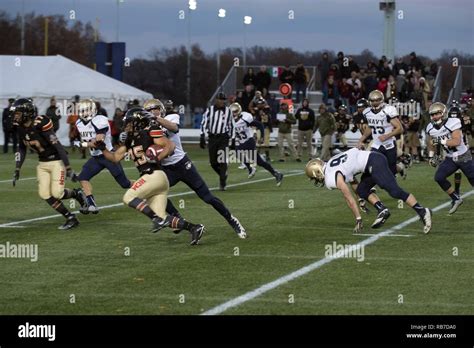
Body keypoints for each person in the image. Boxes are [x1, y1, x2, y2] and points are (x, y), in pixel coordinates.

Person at [97, 107, 204, 245]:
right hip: (157, 181)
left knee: (128, 197)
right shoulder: (130, 140)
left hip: (153, 175)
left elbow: (170, 145)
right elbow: (115, 158)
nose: (126, 126)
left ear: (138, 122)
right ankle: (194, 228)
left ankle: (156, 219)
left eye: (129, 122)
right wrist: (102, 148)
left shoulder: (149, 132)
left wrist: (158, 157)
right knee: (163, 217)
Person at [144, 98, 247, 239]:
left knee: (208, 197)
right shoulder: (147, 126)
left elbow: (174, 128)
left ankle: (232, 219)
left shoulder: (171, 116)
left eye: (153, 109)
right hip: (166, 168)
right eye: (148, 111)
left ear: (160, 109)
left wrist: (156, 119)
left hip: (182, 164)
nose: (150, 112)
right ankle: (177, 217)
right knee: (154, 191)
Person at [305, 148, 432, 234]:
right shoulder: (331, 163)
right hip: (371, 160)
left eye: (313, 177)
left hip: (374, 162)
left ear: (318, 172)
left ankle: (422, 211)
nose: (315, 180)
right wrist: (361, 197)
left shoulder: (330, 177)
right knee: (362, 189)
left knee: (394, 191)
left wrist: (358, 219)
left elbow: (348, 198)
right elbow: (352, 180)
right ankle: (382, 209)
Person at [11, 98, 86, 230]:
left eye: (17, 112)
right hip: (42, 163)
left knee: (57, 193)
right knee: (44, 194)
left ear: (26, 112)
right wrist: (17, 168)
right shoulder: (21, 128)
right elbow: (21, 148)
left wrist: (68, 168)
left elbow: (58, 146)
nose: (15, 116)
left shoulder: (40, 124)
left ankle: (76, 193)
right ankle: (70, 217)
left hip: (56, 162)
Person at [74, 99, 132, 214]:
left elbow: (98, 142)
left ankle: (145, 187)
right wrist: (82, 142)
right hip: (96, 158)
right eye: (82, 110)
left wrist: (82, 144)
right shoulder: (79, 123)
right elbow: (86, 139)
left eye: (86, 110)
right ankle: (91, 204)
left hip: (108, 156)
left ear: (92, 110)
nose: (83, 113)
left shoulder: (100, 120)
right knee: (82, 177)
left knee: (125, 184)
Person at [425, 102, 474, 215]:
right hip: (450, 157)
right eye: (432, 114)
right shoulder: (430, 128)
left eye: (437, 114)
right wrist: (432, 156)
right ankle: (456, 198)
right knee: (439, 177)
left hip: (463, 155)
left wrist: (440, 141)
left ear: (444, 113)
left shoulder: (453, 122)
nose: (435, 117)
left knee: (472, 178)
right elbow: (430, 142)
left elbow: (456, 141)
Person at [229, 102, 284, 184]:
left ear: (239, 111)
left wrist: (261, 136)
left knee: (239, 153)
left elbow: (260, 124)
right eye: (232, 112)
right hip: (241, 141)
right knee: (258, 161)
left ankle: (252, 169)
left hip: (249, 140)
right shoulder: (230, 121)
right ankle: (276, 173)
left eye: (235, 111)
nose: (234, 114)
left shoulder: (245, 118)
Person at [357, 89, 402, 175]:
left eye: (377, 100)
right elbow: (371, 127)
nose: (375, 103)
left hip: (389, 144)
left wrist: (387, 136)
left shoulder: (387, 110)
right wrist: (361, 140)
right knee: (372, 166)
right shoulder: (367, 112)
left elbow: (399, 128)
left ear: (381, 100)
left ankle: (400, 167)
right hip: (376, 144)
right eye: (373, 101)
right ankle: (371, 185)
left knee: (391, 171)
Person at [200, 92, 234, 190]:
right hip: (212, 137)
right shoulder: (210, 110)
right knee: (213, 162)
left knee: (222, 160)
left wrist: (233, 139)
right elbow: (204, 122)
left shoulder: (228, 111)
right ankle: (223, 174)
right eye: (220, 99)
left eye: (223, 100)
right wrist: (202, 135)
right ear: (216, 100)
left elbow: (231, 125)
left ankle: (222, 182)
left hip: (223, 138)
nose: (221, 101)